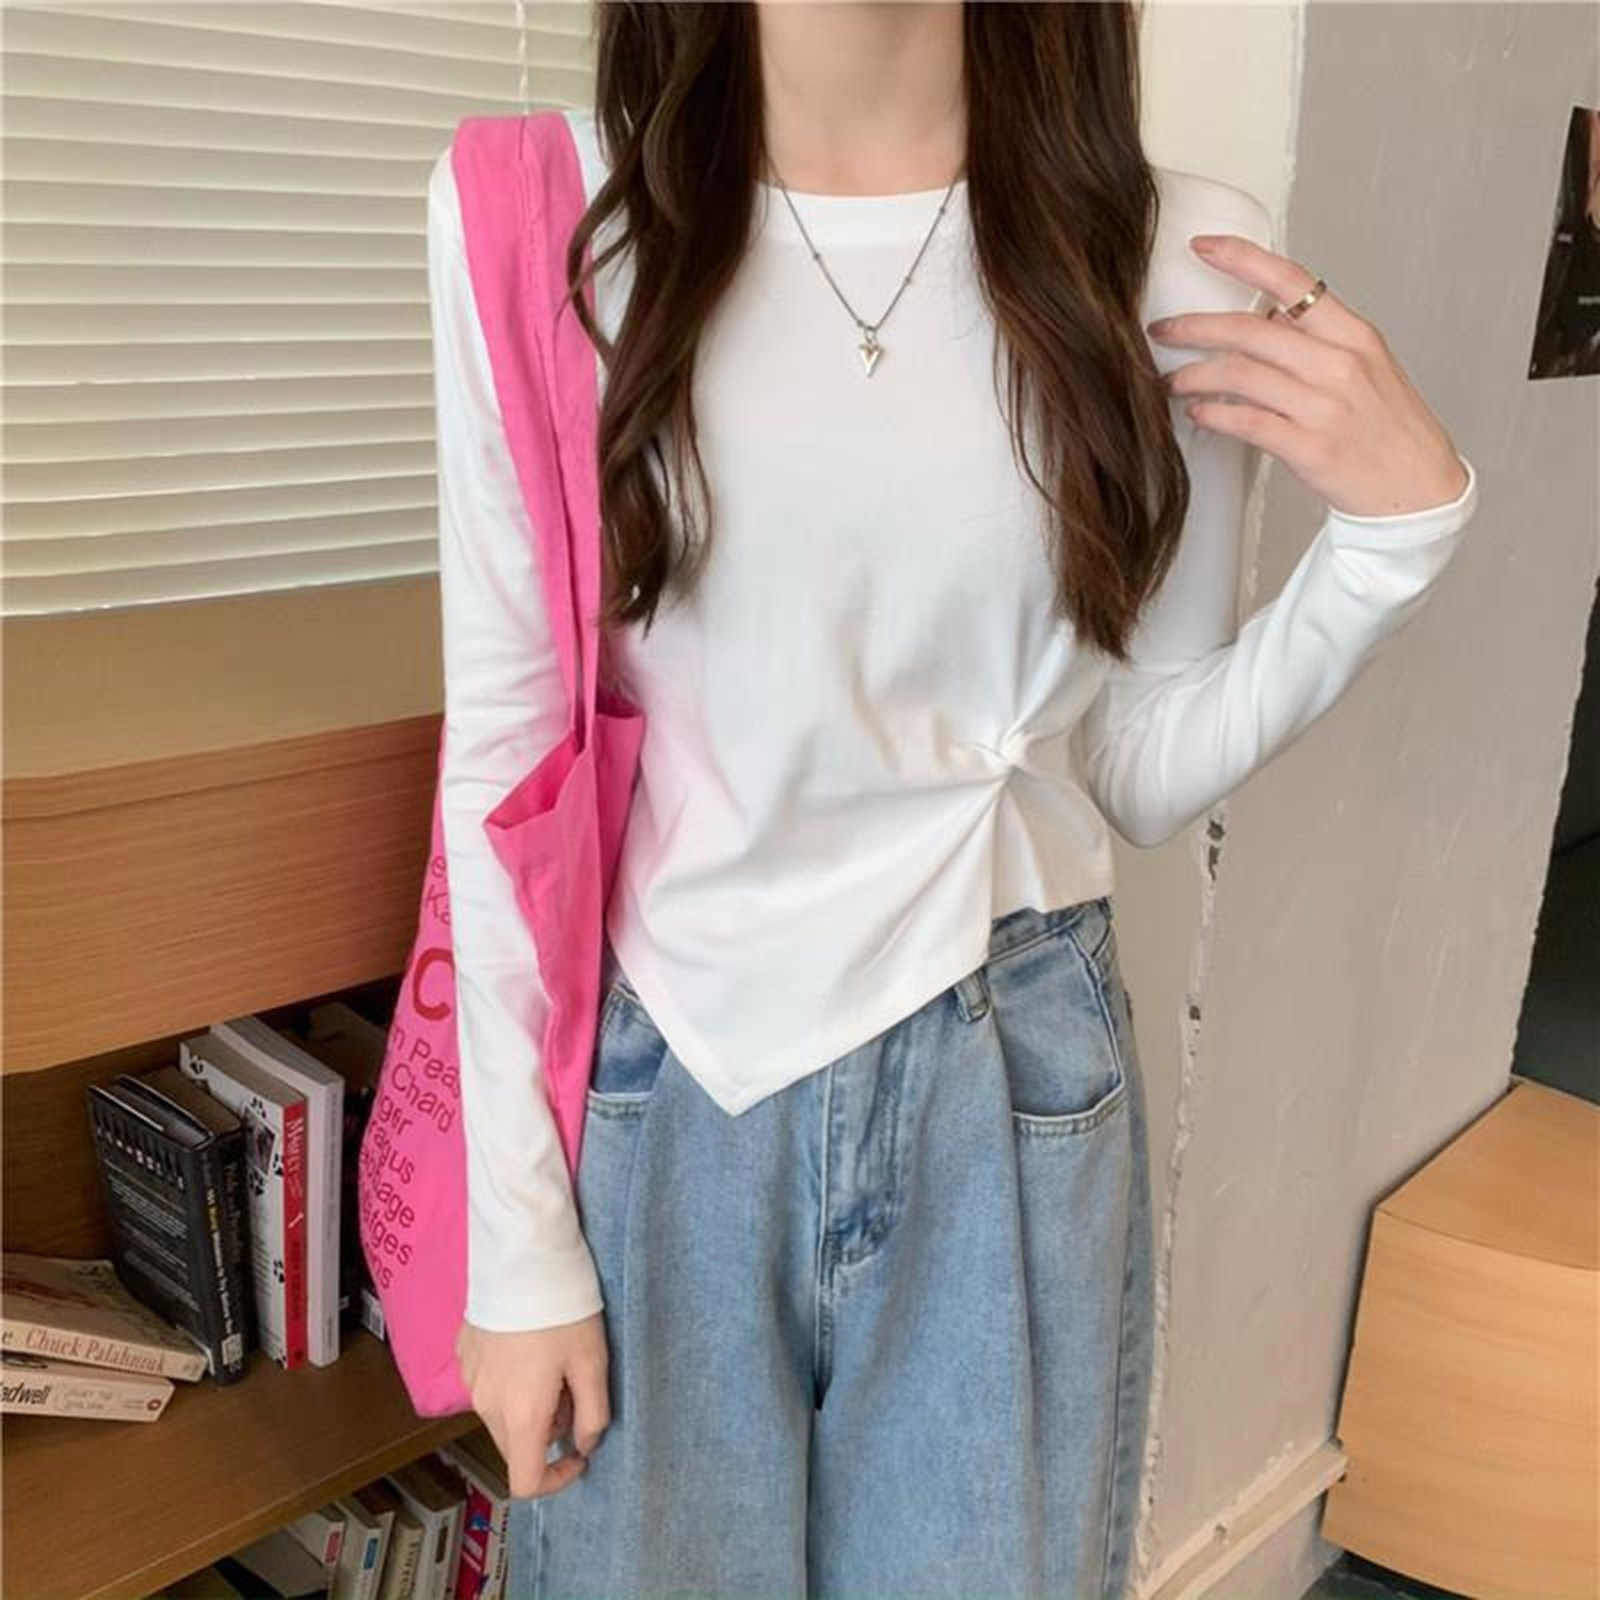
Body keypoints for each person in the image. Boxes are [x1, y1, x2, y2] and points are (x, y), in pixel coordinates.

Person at [434, 5, 1479, 1596]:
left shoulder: (1172, 248)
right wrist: (517, 1246)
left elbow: (1128, 761)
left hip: (1013, 1084)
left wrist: (1387, 554)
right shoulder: (549, 219)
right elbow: (507, 750)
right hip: (676, 1094)